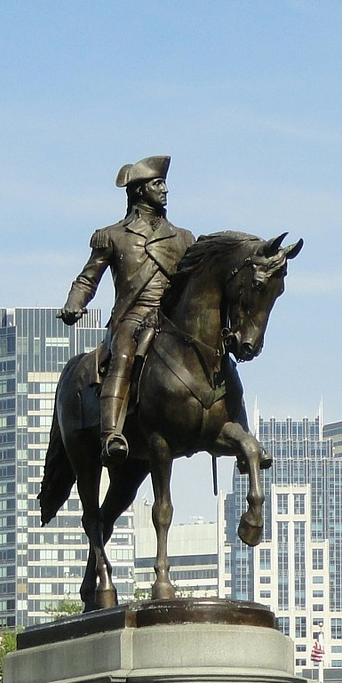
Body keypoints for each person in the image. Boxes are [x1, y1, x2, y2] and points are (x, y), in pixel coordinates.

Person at [57, 156, 196, 464]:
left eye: (163, 183)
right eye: (157, 183)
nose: (165, 189)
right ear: (139, 191)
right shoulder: (113, 236)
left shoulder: (184, 238)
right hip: (134, 315)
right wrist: (73, 304)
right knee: (122, 355)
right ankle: (111, 433)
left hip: (171, 318)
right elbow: (87, 279)